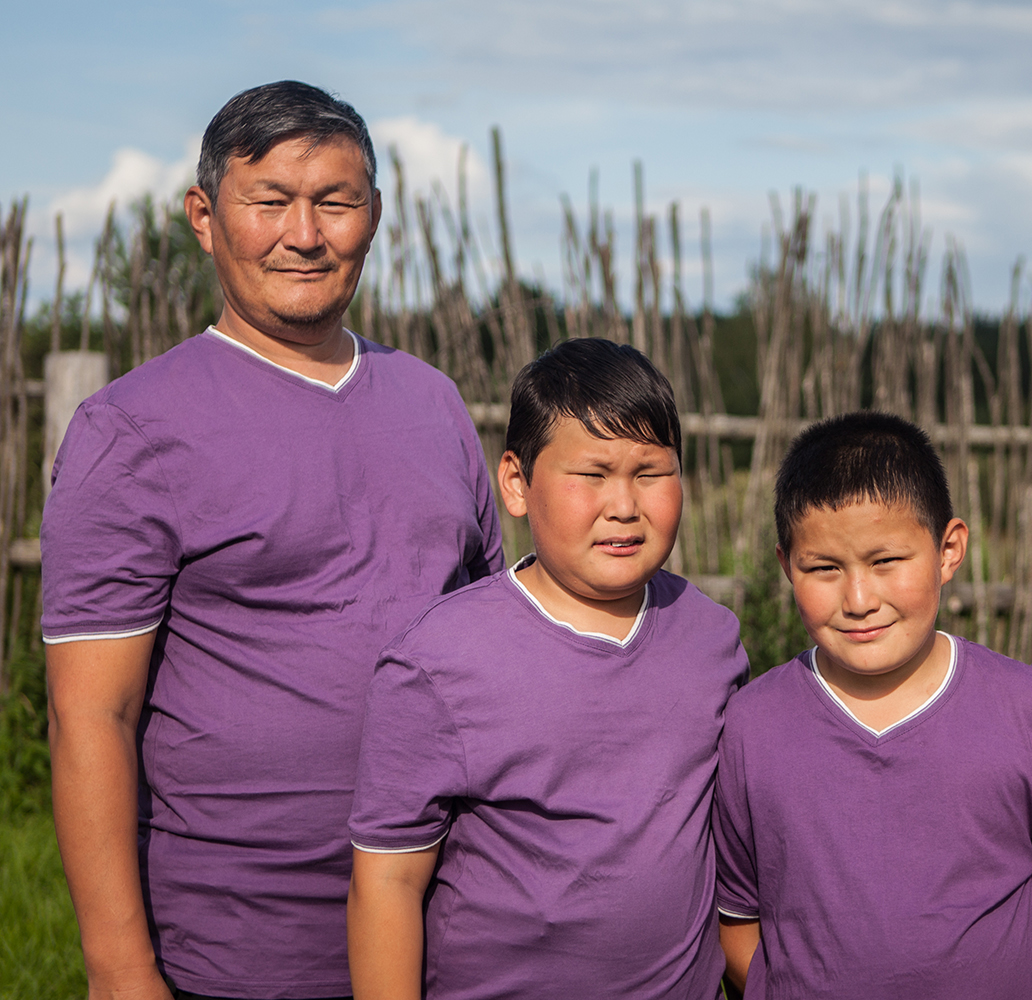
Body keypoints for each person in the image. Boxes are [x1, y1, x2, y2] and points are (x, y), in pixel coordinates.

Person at [43, 81, 504, 1000]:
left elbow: (494, 634)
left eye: (336, 201)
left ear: (374, 215)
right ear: (205, 218)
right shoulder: (132, 431)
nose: (306, 233)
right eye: (270, 202)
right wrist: (120, 972)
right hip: (241, 945)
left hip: (455, 925)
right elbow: (92, 717)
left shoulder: (432, 402)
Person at [346, 337, 749, 1000]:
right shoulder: (439, 663)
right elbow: (387, 883)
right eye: (591, 475)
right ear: (516, 484)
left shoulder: (711, 640)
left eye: (650, 472)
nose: (624, 505)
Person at [713, 411, 1032, 1000]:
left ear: (948, 550)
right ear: (787, 566)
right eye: (824, 569)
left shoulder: (1031, 714)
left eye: (887, 562)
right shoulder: (751, 728)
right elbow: (737, 915)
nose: (859, 599)